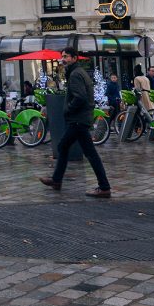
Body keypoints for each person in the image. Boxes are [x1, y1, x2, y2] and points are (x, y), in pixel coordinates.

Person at [40, 51, 111, 198]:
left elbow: (81, 97)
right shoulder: (77, 72)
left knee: (88, 153)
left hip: (78, 119)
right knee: (65, 147)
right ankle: (57, 180)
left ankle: (104, 187)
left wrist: (68, 109)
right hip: (80, 118)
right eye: (62, 56)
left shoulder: (75, 74)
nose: (63, 59)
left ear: (74, 58)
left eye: (66, 57)